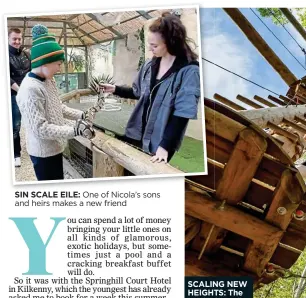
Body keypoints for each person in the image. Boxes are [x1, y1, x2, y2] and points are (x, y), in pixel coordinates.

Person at [99, 12, 200, 164]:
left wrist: (165, 146)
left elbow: (182, 114)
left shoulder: (189, 71)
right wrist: (115, 89)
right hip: (136, 131)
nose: (150, 48)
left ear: (171, 42)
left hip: (160, 141)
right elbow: (138, 92)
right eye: (149, 44)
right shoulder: (149, 65)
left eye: (154, 45)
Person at [17, 25, 94, 181]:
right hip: (43, 153)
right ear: (45, 62)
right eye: (58, 64)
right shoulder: (30, 89)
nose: (59, 69)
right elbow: (40, 129)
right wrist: (75, 130)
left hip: (55, 147)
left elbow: (57, 106)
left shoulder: (48, 80)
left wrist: (81, 114)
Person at [8, 28, 31, 167]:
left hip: (29, 94)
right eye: (14, 39)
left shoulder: (27, 55)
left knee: (32, 122)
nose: (17, 41)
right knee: (15, 126)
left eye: (19, 39)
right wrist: (20, 90)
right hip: (14, 95)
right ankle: (16, 154)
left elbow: (33, 72)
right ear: (9, 39)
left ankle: (33, 147)